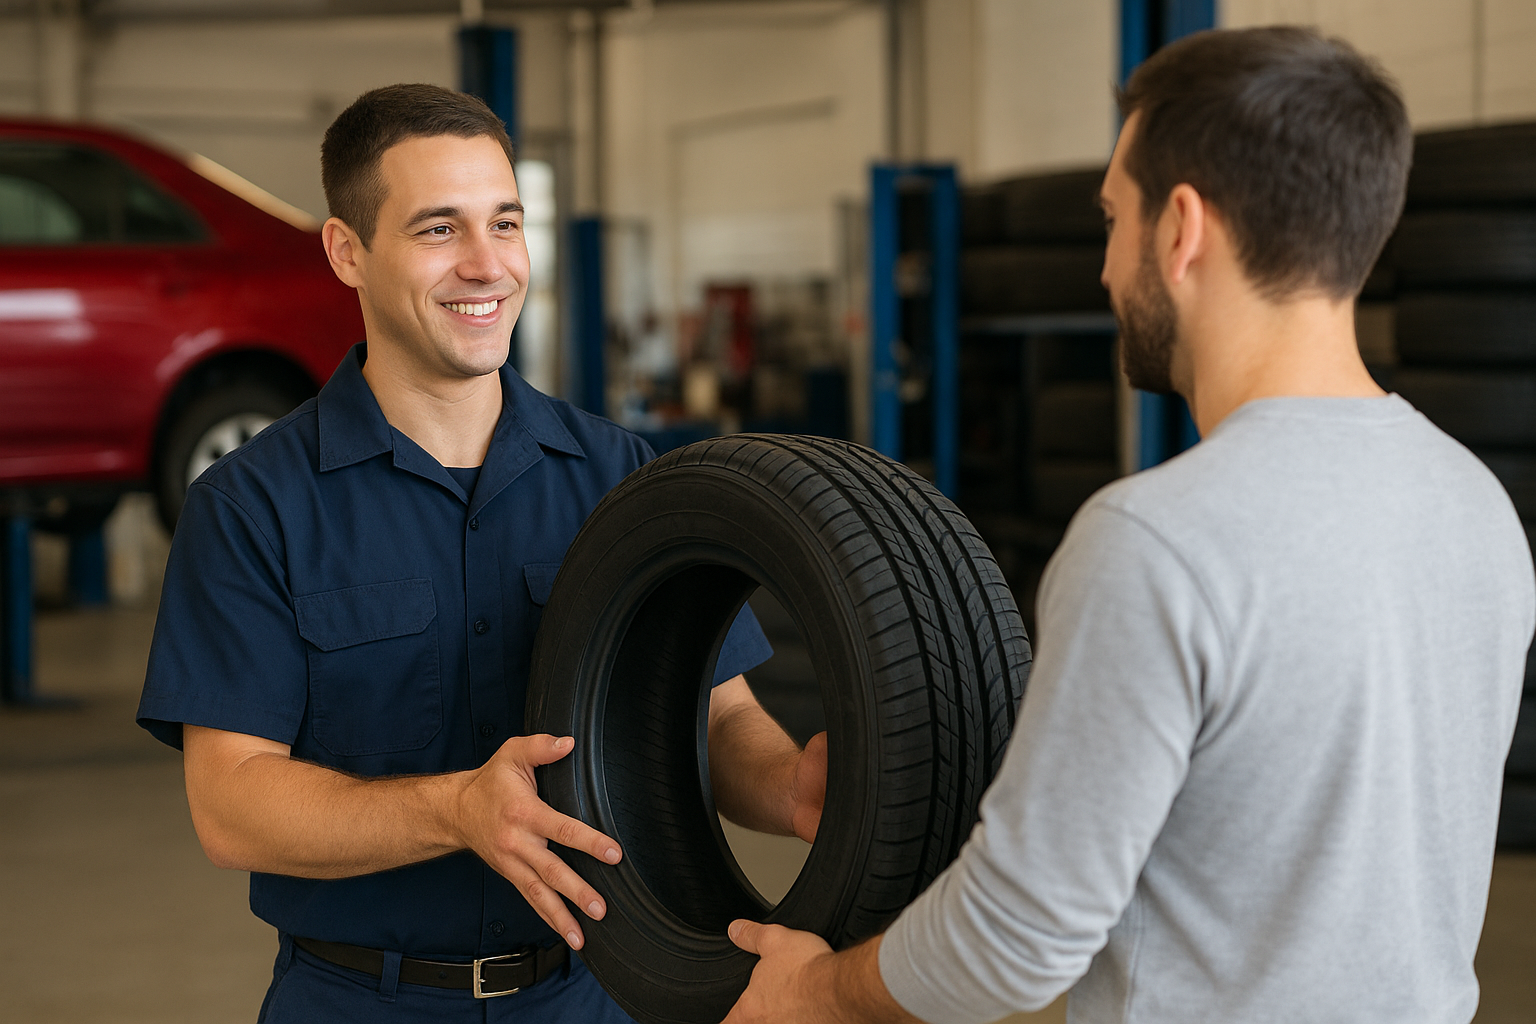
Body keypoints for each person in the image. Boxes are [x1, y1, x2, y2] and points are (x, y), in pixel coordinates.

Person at [724, 26, 1535, 1024]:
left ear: (1181, 228)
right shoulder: (1473, 503)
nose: (1107, 270)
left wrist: (818, 991)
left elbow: (1014, 940)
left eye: (1113, 218)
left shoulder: (1159, 540)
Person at [136, 83, 827, 1023]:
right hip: (357, 1000)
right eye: (437, 230)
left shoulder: (620, 475)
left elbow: (716, 719)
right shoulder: (252, 505)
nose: (485, 265)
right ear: (348, 252)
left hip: (594, 993)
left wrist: (794, 788)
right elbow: (231, 806)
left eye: (505, 223)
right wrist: (456, 809)